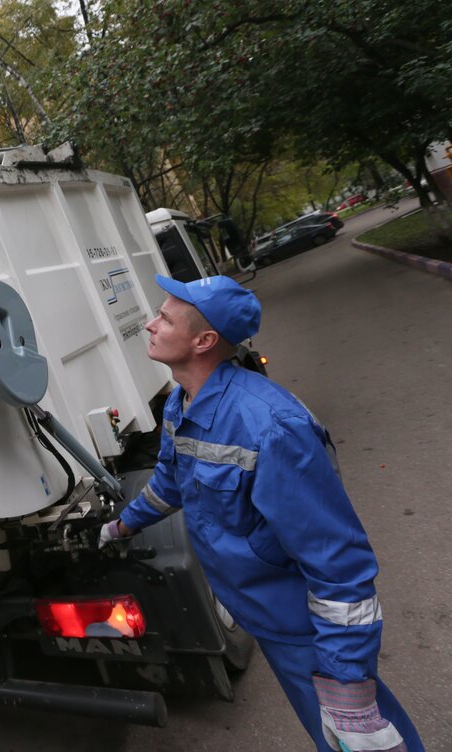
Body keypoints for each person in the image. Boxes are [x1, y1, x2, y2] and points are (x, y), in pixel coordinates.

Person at [99, 275, 423, 752]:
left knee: (358, 737)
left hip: (303, 627)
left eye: (165, 318)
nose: (149, 324)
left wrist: (346, 680)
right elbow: (171, 482)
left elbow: (340, 564)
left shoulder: (271, 428)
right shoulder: (180, 404)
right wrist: (122, 524)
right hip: (262, 613)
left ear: (204, 341)